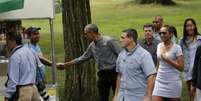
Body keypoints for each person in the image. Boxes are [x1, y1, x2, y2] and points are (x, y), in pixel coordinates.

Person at [57, 24, 122, 101]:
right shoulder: (92, 46)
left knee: (118, 98)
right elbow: (82, 58)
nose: (85, 36)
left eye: (86, 33)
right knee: (102, 98)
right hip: (102, 75)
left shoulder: (109, 41)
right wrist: (65, 65)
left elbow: (122, 55)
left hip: (115, 74)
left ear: (92, 33)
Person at [113, 28, 156, 101]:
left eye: (123, 38)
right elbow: (120, 75)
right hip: (122, 96)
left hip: (137, 97)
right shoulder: (121, 55)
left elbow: (151, 76)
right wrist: (116, 95)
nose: (120, 40)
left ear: (131, 39)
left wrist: (148, 96)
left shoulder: (144, 55)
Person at [4, 32, 41, 101]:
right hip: (34, 89)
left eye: (7, 41)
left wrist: (7, 97)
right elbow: (40, 66)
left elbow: (13, 80)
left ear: (13, 41)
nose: (6, 44)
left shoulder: (15, 56)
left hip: (23, 91)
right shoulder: (31, 50)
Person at [152, 25, 184, 101]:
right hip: (159, 81)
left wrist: (168, 60)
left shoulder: (177, 48)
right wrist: (155, 75)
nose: (162, 35)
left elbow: (181, 67)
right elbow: (159, 62)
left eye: (164, 33)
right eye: (160, 33)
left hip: (173, 82)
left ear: (171, 34)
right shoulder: (159, 45)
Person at [25, 26, 53, 101]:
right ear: (28, 36)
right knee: (45, 98)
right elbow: (40, 59)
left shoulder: (36, 46)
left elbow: (40, 64)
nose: (37, 35)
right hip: (33, 82)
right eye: (34, 34)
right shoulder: (28, 48)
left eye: (38, 33)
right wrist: (54, 65)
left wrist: (43, 78)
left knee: (44, 98)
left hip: (39, 80)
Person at [179, 18, 201, 101]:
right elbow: (179, 55)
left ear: (194, 26)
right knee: (191, 94)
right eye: (187, 26)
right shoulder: (182, 40)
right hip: (187, 70)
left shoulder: (199, 39)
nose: (189, 28)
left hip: (197, 70)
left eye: (191, 25)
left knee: (195, 91)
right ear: (185, 28)